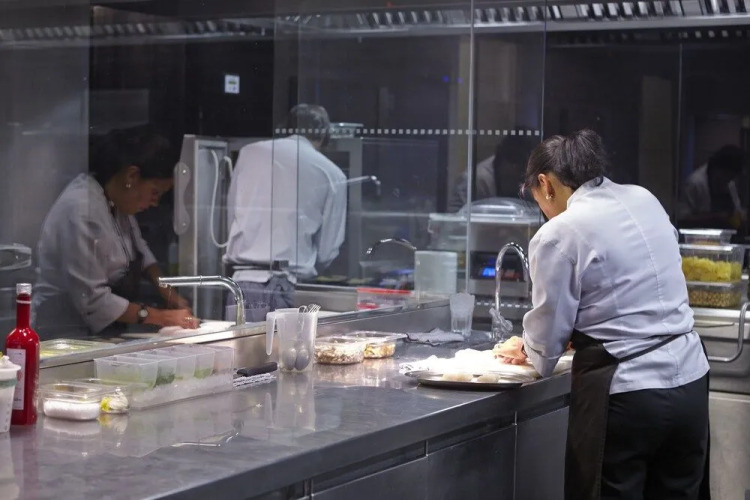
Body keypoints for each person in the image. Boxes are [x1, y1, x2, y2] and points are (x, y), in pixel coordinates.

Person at [497, 129, 710, 499]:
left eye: (537, 199)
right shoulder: (643, 198)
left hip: (629, 397)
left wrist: (529, 346)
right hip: (690, 382)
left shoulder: (558, 233)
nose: (543, 210)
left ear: (545, 184)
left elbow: (545, 350)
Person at [34, 126, 197, 339]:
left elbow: (142, 253)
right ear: (132, 176)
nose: (155, 202)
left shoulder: (115, 202)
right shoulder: (82, 209)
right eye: (155, 192)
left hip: (95, 332)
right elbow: (93, 300)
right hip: (62, 330)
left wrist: (172, 297)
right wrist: (164, 317)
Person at [224, 104, 347, 321]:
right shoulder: (333, 173)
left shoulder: (249, 153)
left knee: (239, 344)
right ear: (324, 136)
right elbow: (327, 251)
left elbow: (232, 214)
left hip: (242, 283)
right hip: (289, 286)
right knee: (284, 345)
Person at [448, 128, 539, 212]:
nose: (517, 173)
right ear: (501, 159)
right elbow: (455, 218)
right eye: (516, 163)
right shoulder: (474, 180)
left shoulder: (528, 179)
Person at [678, 144, 745, 229]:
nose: (727, 181)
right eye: (726, 176)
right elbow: (682, 218)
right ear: (717, 169)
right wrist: (714, 217)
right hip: (698, 232)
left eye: (731, 178)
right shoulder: (695, 183)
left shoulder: (730, 183)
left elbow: (737, 211)